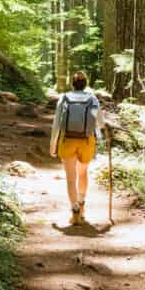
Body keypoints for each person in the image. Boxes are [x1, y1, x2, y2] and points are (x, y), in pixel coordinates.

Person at [49, 71, 105, 224]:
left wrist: (53, 144)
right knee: (83, 173)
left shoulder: (64, 98)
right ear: (85, 84)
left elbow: (57, 123)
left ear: (72, 84)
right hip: (87, 141)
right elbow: (99, 123)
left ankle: (74, 209)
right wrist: (99, 139)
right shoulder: (92, 99)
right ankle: (81, 203)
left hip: (67, 141)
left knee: (70, 178)